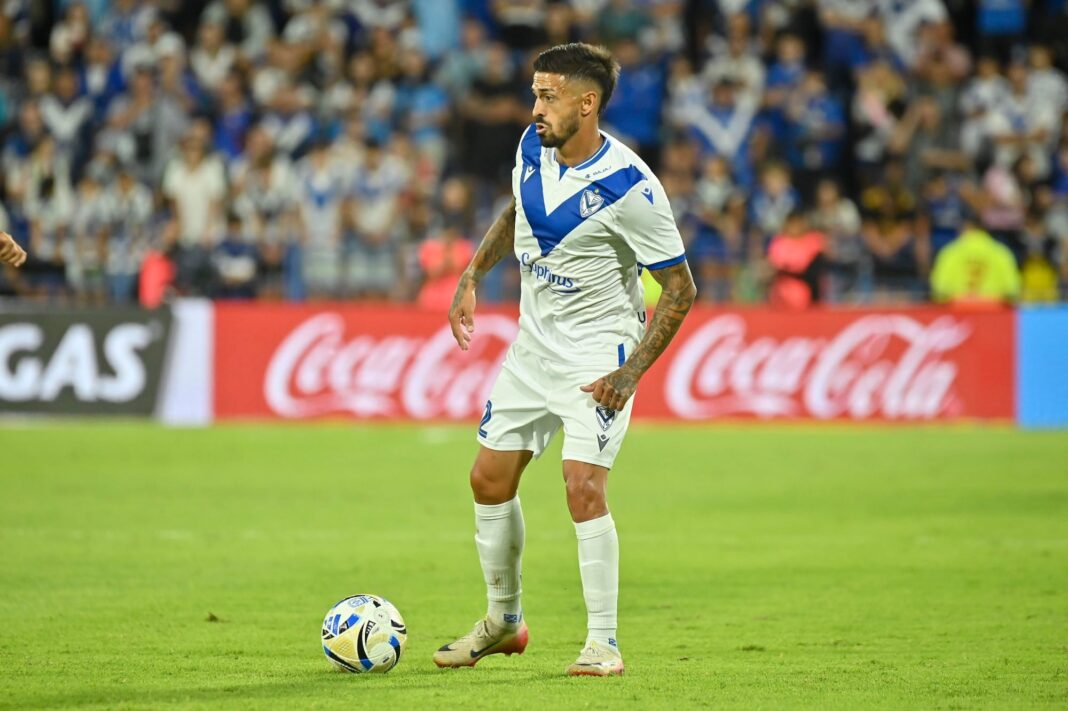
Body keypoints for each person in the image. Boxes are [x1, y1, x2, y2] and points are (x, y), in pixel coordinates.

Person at [437, 43, 697, 677]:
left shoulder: (631, 186)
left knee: (582, 486)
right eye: (534, 94)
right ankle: (504, 621)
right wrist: (472, 273)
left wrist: (629, 373)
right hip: (533, 351)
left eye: (547, 96)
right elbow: (517, 214)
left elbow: (681, 288)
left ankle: (603, 644)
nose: (534, 109)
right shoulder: (534, 148)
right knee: (487, 480)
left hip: (597, 354)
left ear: (588, 103)